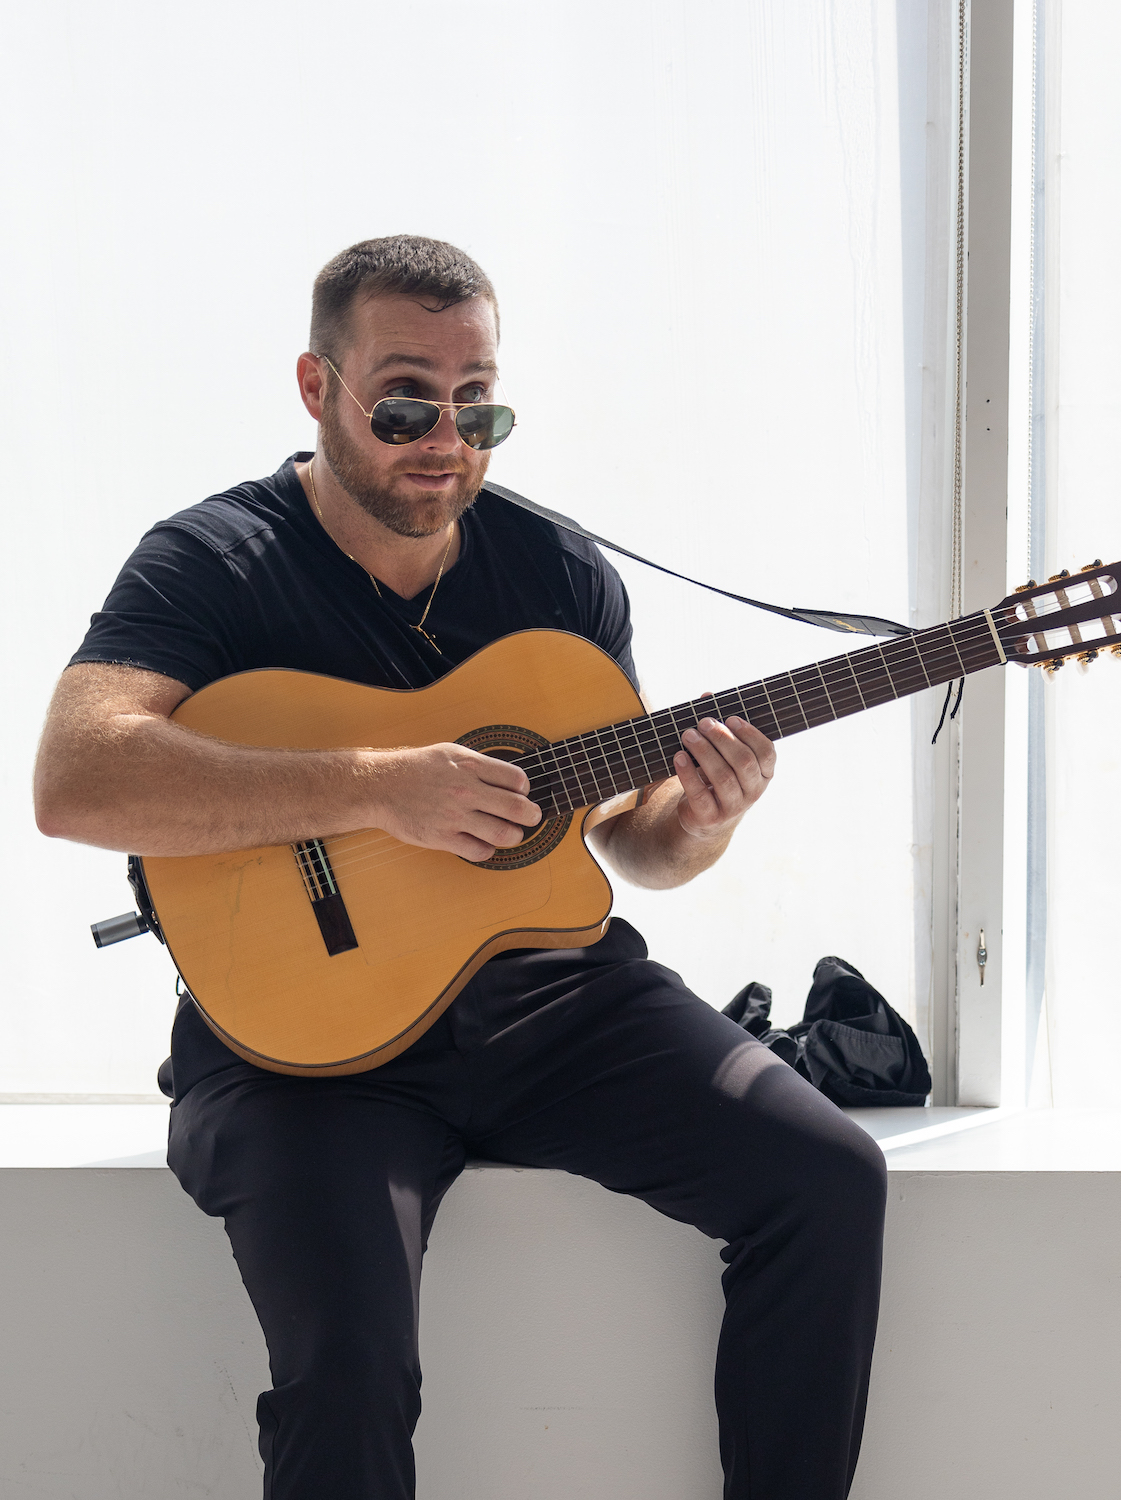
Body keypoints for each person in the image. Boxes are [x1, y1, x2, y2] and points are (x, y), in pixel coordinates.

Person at [33, 235, 887, 1500]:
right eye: (404, 400)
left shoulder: (554, 572)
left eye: (478, 400)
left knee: (828, 1181)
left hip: (556, 1003)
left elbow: (631, 843)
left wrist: (702, 818)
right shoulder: (215, 560)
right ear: (318, 389)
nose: (446, 434)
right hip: (304, 1054)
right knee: (347, 1369)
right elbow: (77, 781)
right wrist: (381, 787)